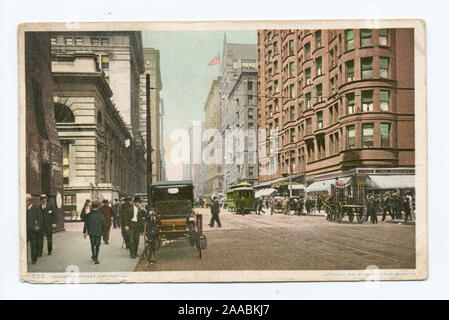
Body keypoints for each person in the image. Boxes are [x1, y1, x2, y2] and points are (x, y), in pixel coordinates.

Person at [83, 200, 104, 264]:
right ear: (98, 206)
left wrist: (84, 232)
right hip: (98, 231)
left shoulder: (88, 215)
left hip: (91, 232)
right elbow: (103, 223)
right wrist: (102, 231)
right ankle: (96, 258)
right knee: (97, 245)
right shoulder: (101, 214)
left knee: (92, 244)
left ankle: (93, 255)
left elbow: (86, 223)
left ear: (92, 206)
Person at [26, 194, 42, 265]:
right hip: (25, 230)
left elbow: (40, 218)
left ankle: (34, 260)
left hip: (33, 230)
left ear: (29, 201)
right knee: (23, 245)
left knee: (33, 245)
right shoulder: (23, 209)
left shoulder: (36, 208)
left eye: (25, 201)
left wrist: (37, 225)